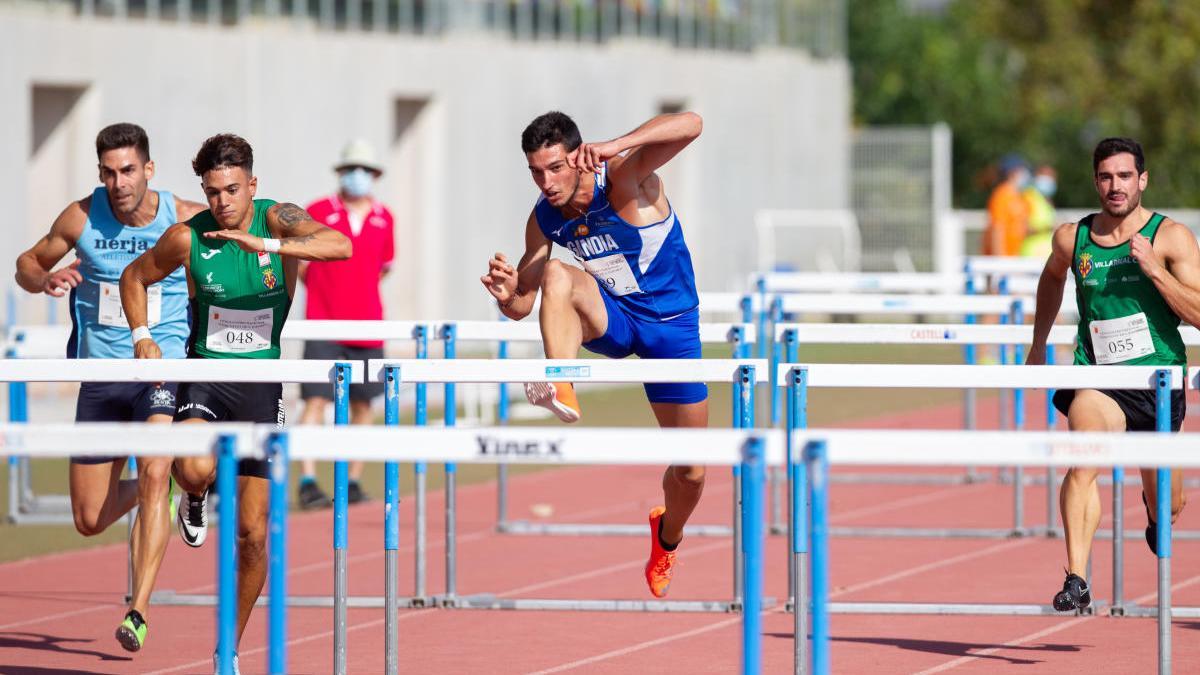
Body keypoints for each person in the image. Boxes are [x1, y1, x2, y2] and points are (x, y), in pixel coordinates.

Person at [120, 133, 351, 672]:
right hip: (205, 378)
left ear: (252, 185)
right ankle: (194, 494)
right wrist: (142, 335)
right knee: (194, 468)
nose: (222, 202)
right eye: (212, 191)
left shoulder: (277, 220)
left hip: (261, 388)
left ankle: (229, 647)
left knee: (252, 535)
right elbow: (135, 278)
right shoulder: (187, 237)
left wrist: (268, 248)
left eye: (231, 189)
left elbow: (340, 246)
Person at [480, 111, 706, 598]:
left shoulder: (623, 179)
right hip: (616, 320)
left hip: (672, 331)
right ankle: (559, 380)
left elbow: (693, 123)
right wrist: (506, 294)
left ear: (579, 160)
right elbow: (524, 304)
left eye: (556, 168)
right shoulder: (544, 217)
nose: (547, 183)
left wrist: (615, 144)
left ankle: (667, 538)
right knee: (559, 275)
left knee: (691, 471)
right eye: (536, 173)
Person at [13, 122, 204, 654]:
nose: (118, 183)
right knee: (89, 519)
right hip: (101, 379)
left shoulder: (182, 218)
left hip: (157, 371)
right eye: (108, 173)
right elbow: (27, 263)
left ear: (148, 169)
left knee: (154, 467)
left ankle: (138, 610)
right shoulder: (81, 216)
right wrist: (44, 279)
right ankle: (159, 496)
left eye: (127, 171)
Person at [1027, 137, 1196, 612]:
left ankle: (1155, 509)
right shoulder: (1072, 238)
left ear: (1142, 180)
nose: (1115, 186)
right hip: (1098, 380)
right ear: (1096, 182)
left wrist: (1156, 273)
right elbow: (1052, 277)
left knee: (1169, 504)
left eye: (1125, 176)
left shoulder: (1171, 237)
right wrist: (1038, 343)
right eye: (1106, 177)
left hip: (1158, 385)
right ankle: (1077, 577)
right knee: (1084, 459)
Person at [295, 139, 395, 509]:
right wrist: (326, 294)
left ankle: (351, 481)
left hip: (368, 325)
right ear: (341, 173)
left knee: (364, 406)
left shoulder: (386, 217)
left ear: (374, 175)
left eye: (365, 170)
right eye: (353, 169)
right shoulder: (317, 210)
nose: (359, 176)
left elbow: (382, 268)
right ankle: (307, 479)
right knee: (316, 400)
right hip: (323, 323)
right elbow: (302, 265)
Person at [983, 154, 1031, 257]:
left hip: (1015, 254)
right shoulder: (1001, 196)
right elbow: (997, 227)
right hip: (1003, 256)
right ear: (1012, 172)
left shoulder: (1021, 197)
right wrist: (1000, 258)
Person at [1020, 165, 1058, 260]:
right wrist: (1048, 228)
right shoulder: (1028, 197)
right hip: (1031, 256)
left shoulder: (1046, 200)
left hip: (1046, 257)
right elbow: (1021, 228)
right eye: (1047, 176)